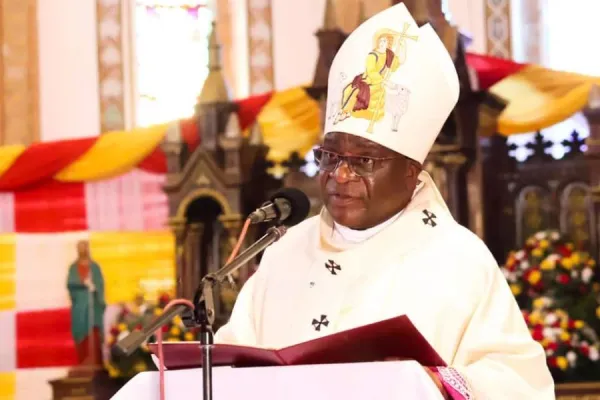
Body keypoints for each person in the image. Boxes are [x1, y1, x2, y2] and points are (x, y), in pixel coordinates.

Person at [216, 4, 554, 399]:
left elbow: (520, 384)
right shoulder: (284, 253)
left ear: (411, 170)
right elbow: (228, 370)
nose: (340, 175)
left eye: (364, 161)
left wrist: (437, 384)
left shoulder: (459, 259)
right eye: (330, 156)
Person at [67, 240, 106, 367]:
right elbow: (70, 285)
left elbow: (100, 284)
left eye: (84, 248)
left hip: (93, 305)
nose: (82, 250)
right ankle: (83, 362)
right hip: (79, 306)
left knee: (93, 333)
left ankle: (95, 362)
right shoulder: (73, 268)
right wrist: (82, 283)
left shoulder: (95, 267)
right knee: (80, 331)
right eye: (80, 248)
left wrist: (94, 287)